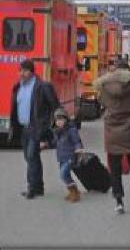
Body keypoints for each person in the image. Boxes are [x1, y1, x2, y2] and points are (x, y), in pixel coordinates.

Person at [95, 59, 130, 215]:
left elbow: (102, 102)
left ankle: (119, 202)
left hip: (112, 131)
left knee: (115, 169)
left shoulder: (105, 86)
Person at [10, 59, 60, 199]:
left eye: (25, 71)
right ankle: (39, 187)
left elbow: (55, 106)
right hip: (23, 128)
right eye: (20, 70)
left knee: (32, 156)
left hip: (37, 128)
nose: (22, 73)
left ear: (32, 72)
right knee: (30, 157)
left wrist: (50, 125)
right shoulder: (18, 87)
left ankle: (32, 187)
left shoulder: (43, 86)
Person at [42, 108, 84, 202]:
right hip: (61, 157)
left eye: (61, 119)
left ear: (66, 119)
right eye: (57, 120)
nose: (59, 122)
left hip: (70, 156)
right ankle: (73, 190)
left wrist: (78, 148)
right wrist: (46, 144)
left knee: (63, 174)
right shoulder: (57, 132)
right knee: (66, 174)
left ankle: (74, 192)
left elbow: (76, 140)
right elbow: (54, 143)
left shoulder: (71, 130)